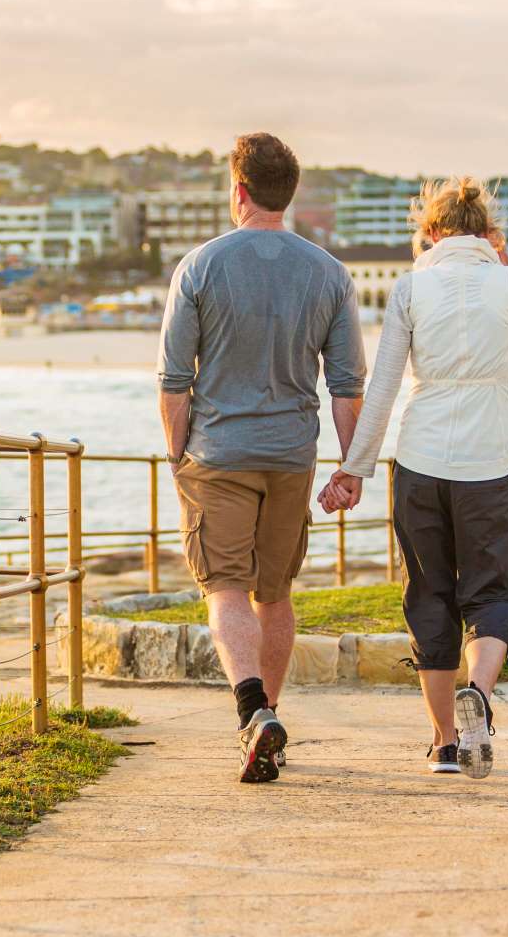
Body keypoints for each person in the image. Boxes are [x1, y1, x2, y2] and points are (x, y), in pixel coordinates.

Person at [322, 177, 508, 778]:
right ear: (487, 232)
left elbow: (385, 385)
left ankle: (446, 744)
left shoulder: (412, 286)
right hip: (491, 463)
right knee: (493, 593)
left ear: (429, 232)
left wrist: (353, 469)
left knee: (430, 595)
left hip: (420, 463)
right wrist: (507, 273)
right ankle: (480, 690)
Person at [157, 133, 367, 783]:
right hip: (290, 456)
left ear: (239, 191)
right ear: (289, 193)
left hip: (218, 454)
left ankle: (252, 710)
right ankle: (267, 718)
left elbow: (172, 380)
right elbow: (346, 387)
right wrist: (349, 467)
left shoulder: (200, 265)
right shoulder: (329, 272)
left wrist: (177, 457)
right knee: (273, 594)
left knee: (223, 588)